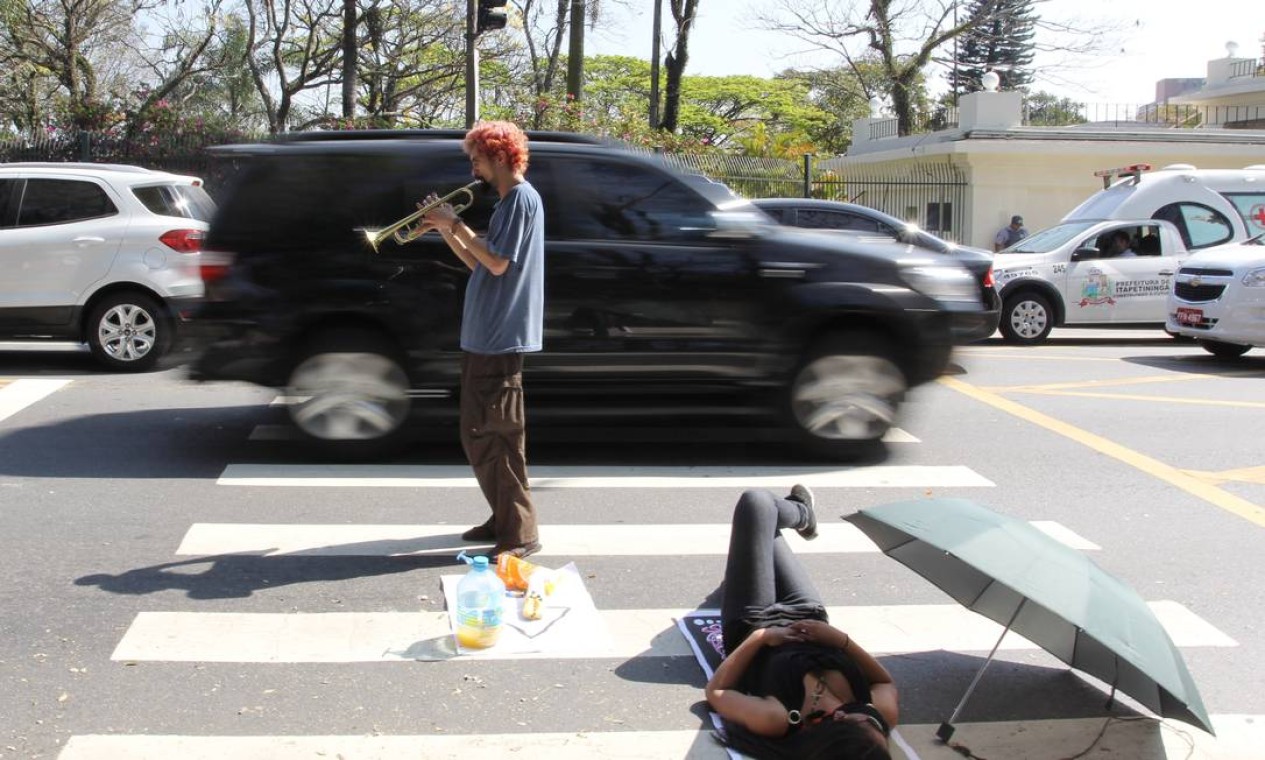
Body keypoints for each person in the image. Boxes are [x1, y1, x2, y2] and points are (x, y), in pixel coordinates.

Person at [418, 121, 544, 560]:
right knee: (478, 433)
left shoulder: (520, 201)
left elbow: (495, 263)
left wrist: (456, 222)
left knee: (499, 435)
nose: (472, 166)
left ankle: (520, 533)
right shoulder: (508, 204)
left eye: (476, 157)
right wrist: (446, 230)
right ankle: (502, 516)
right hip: (484, 335)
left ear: (497, 154)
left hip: (499, 338)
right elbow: (478, 263)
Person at [705, 487, 898, 759]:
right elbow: (884, 682)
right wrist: (841, 640)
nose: (862, 714)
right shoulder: (877, 715)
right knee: (763, 524)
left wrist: (761, 637)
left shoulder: (778, 718)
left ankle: (802, 513)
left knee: (756, 504)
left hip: (753, 618)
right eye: (873, 724)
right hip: (808, 612)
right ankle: (797, 516)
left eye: (845, 719)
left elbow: (717, 692)